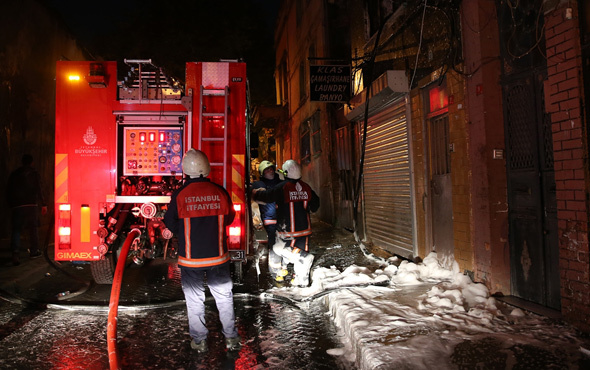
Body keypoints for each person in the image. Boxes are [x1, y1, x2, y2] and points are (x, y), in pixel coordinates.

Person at [163, 149, 241, 353]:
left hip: (191, 261)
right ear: (206, 169)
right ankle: (231, 338)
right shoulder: (220, 191)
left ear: (186, 171)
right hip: (218, 258)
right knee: (224, 298)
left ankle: (200, 341)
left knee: (194, 300)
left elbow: (170, 223)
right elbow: (230, 218)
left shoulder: (180, 194)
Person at [252, 159, 320, 287]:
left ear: (286, 172)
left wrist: (254, 193)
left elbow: (266, 197)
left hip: (287, 230)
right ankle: (301, 281)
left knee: (278, 248)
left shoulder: (283, 187)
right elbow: (315, 205)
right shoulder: (306, 187)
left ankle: (283, 270)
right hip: (305, 229)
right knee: (300, 252)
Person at [6, 154, 47, 266]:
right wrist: (43, 204)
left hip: (17, 206)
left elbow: (9, 190)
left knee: (16, 229)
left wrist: (12, 205)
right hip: (31, 205)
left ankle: (15, 253)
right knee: (33, 229)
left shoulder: (14, 174)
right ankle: (34, 251)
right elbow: (39, 188)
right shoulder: (34, 174)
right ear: (32, 162)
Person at [251, 160, 287, 281]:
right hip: (269, 219)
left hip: (283, 218)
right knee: (274, 243)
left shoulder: (281, 183)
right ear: (262, 173)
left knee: (285, 241)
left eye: (271, 168)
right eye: (267, 170)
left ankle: (284, 265)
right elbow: (257, 197)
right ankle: (275, 270)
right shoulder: (258, 185)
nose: (270, 171)